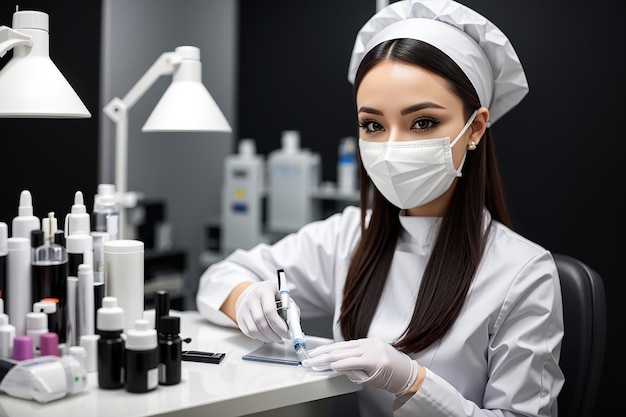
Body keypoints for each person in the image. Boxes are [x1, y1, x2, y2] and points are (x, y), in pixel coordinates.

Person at [196, 0, 564, 415]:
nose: (391, 148)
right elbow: (219, 278)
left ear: (475, 127)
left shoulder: (522, 273)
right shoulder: (351, 234)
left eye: (422, 122)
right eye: (373, 125)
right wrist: (247, 297)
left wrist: (414, 383)